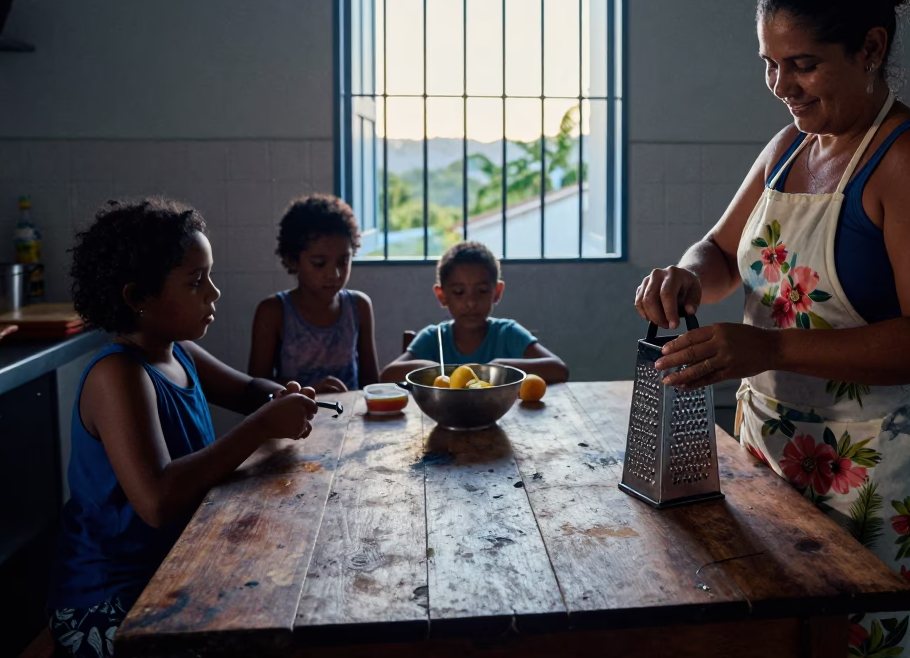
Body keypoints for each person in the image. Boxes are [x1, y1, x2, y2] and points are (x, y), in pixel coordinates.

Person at [635, 0, 910, 658]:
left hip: (877, 474)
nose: (781, 86)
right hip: (772, 455)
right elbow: (720, 251)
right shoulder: (789, 148)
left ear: (871, 48)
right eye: (769, 64)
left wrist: (767, 348)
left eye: (803, 65)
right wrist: (686, 277)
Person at [48, 198, 320, 658]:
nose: (214, 293)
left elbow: (247, 390)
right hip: (107, 600)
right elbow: (157, 501)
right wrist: (262, 426)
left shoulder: (178, 352)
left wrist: (284, 395)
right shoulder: (119, 374)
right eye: (196, 282)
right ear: (138, 298)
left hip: (174, 564)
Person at [381, 241, 569, 383]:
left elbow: (559, 370)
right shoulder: (434, 338)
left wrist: (499, 368)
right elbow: (387, 375)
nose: (470, 302)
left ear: (497, 292)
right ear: (442, 296)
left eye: (482, 291)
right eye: (458, 292)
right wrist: (438, 371)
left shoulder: (507, 333)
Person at [248, 194, 379, 394]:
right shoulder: (273, 312)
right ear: (292, 260)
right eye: (319, 263)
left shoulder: (358, 307)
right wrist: (308, 391)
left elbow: (371, 385)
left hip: (350, 414)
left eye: (343, 261)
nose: (334, 274)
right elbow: (256, 389)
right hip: (296, 414)